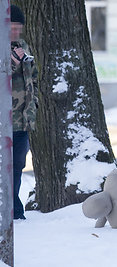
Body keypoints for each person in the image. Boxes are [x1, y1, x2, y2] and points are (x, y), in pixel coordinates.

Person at [10, 5, 38, 220]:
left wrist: (33, 104)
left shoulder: (22, 46)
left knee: (17, 166)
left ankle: (14, 210)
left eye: (19, 28)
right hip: (3, 123)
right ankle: (10, 211)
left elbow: (33, 79)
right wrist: (12, 63)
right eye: (13, 27)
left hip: (22, 122)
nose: (17, 32)